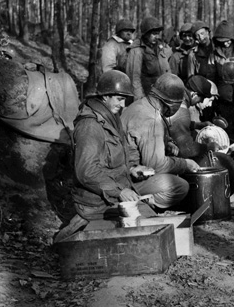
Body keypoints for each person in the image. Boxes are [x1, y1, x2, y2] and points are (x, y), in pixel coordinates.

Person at [56, 71, 185, 242]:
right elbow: (86, 171)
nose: (123, 104)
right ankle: (78, 228)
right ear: (105, 96)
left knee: (154, 226)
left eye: (125, 99)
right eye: (119, 99)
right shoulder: (90, 126)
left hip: (113, 195)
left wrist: (132, 168)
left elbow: (112, 159)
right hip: (96, 203)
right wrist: (120, 191)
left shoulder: (111, 118)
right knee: (147, 234)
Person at [120, 73, 201, 210]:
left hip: (123, 169)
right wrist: (185, 164)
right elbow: (156, 165)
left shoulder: (140, 105)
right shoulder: (151, 119)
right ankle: (139, 204)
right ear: (172, 103)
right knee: (180, 186)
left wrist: (165, 144)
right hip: (128, 178)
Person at [126, 15, 172, 99]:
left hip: (162, 95)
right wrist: (140, 101)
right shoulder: (137, 50)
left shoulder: (160, 48)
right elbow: (134, 79)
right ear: (146, 34)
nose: (157, 37)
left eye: (158, 34)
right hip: (146, 96)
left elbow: (166, 71)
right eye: (154, 34)